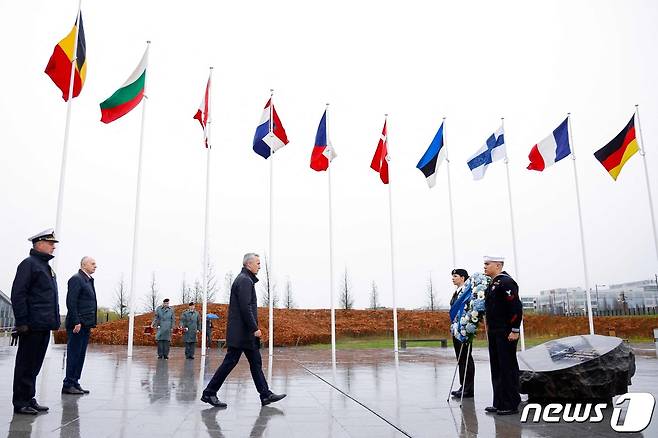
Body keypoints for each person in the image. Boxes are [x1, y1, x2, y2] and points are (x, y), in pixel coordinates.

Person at [201, 253, 286, 408]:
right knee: (230, 362)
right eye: (258, 263)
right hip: (242, 334)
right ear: (248, 264)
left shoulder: (245, 280)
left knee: (256, 363)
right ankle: (209, 393)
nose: (260, 266)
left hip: (244, 334)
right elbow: (245, 307)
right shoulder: (245, 281)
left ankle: (265, 395)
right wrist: (254, 328)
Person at [10, 228, 61, 415]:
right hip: (31, 325)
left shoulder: (45, 267)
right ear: (39, 244)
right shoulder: (29, 264)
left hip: (42, 325)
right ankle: (20, 401)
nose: (53, 247)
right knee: (25, 364)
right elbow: (18, 294)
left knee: (34, 365)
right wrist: (22, 321)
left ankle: (29, 398)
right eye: (51, 243)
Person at [483, 255, 523, 416]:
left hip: (505, 332)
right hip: (494, 331)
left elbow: (515, 307)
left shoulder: (506, 282)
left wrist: (514, 329)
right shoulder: (493, 283)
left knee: (507, 367)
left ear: (498, 265)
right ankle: (499, 401)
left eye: (487, 264)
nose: (484, 266)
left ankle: (510, 403)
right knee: (497, 367)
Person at [62, 256, 98, 395]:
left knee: (80, 354)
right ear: (84, 265)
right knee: (74, 353)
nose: (96, 266)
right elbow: (71, 302)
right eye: (92, 263)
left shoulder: (87, 280)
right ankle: (68, 384)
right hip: (78, 324)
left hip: (86, 324)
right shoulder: (76, 279)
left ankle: (75, 382)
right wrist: (76, 321)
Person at [449, 268, 475, 399]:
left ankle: (469, 388)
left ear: (463, 278)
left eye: (455, 276)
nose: (453, 278)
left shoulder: (468, 292)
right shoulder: (457, 292)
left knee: (466, 358)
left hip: (464, 330)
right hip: (456, 329)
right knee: (460, 359)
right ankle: (462, 385)